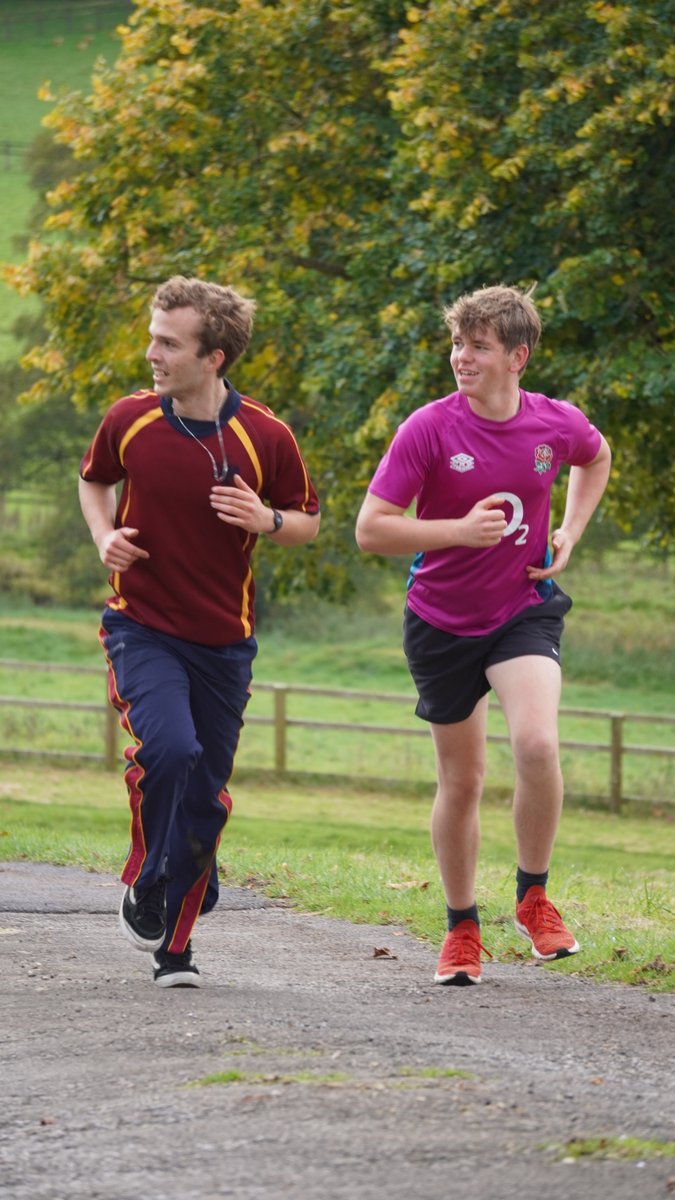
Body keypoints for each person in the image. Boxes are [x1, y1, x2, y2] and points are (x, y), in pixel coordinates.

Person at [355, 284, 611, 986]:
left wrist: (569, 529)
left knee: (537, 744)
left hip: (522, 608)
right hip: (440, 621)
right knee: (462, 781)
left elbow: (595, 457)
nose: (461, 358)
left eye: (478, 346)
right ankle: (462, 927)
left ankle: (532, 896)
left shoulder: (554, 422)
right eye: (456, 344)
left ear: (517, 358)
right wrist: (457, 532)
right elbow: (371, 529)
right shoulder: (428, 429)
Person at [79, 276, 320, 988]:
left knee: (206, 798)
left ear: (213, 357)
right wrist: (103, 537)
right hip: (141, 627)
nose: (151, 353)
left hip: (223, 645)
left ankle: (175, 945)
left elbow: (306, 522)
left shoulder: (266, 435)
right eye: (153, 338)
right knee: (169, 750)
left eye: (168, 343)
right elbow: (94, 479)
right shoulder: (129, 419)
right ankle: (151, 878)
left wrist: (267, 520)